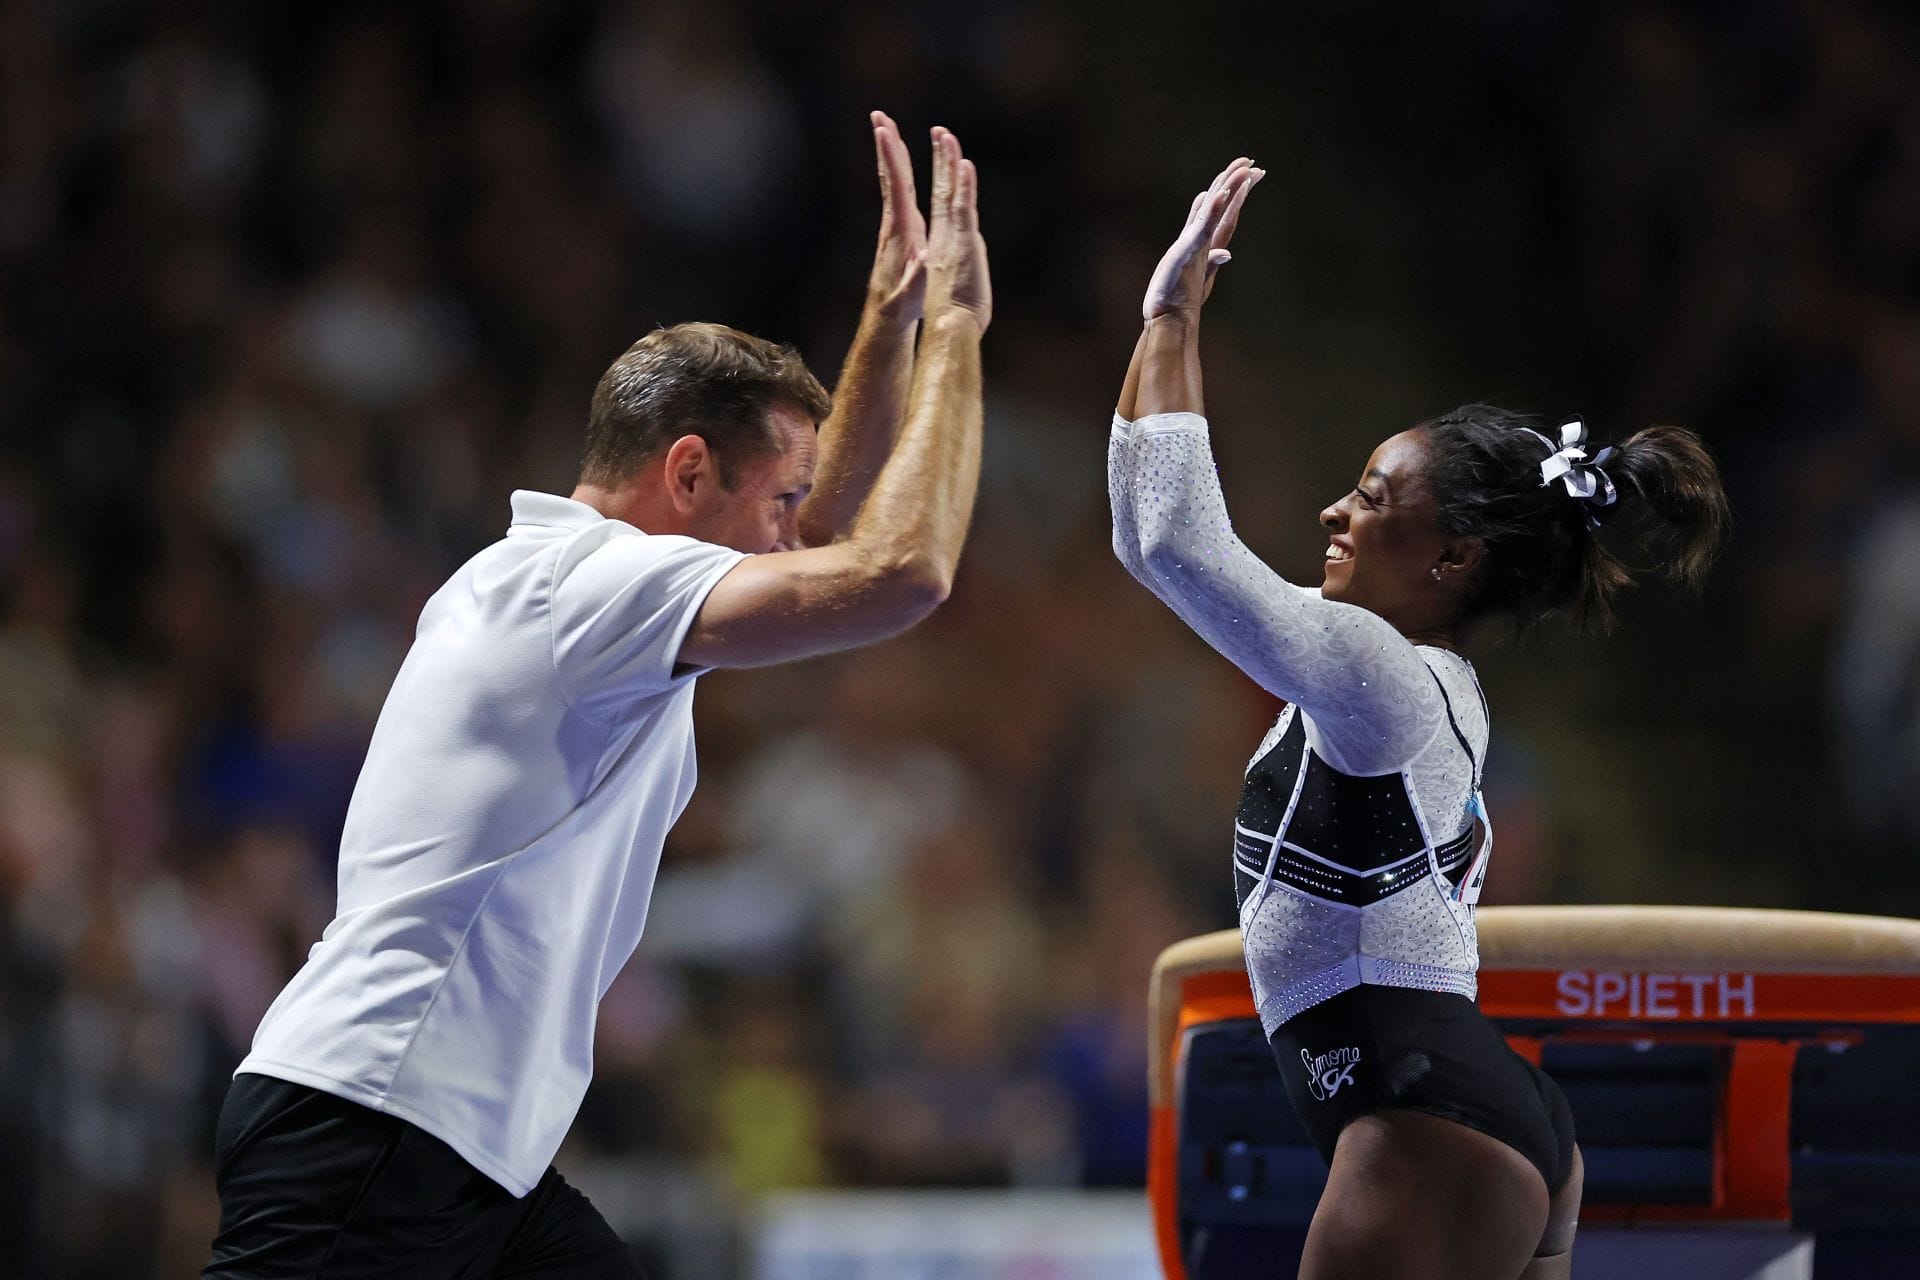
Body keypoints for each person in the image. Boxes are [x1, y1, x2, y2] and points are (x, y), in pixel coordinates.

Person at [201, 113, 991, 1280]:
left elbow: (831, 538)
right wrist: (962, 333)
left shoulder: (561, 583)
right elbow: (900, 569)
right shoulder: (589, 585)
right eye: (772, 497)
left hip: (470, 1157)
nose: (786, 537)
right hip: (371, 1127)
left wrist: (892, 315)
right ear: (685, 472)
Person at [1108, 160, 1728, 1280]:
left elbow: (1175, 542)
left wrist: (1170, 317)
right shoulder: (1396, 680)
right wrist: (1168, 336)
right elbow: (1143, 536)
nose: (1334, 510)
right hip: (1471, 1114)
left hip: (1420, 1119)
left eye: (1374, 496)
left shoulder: (1379, 677)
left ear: (1452, 556)